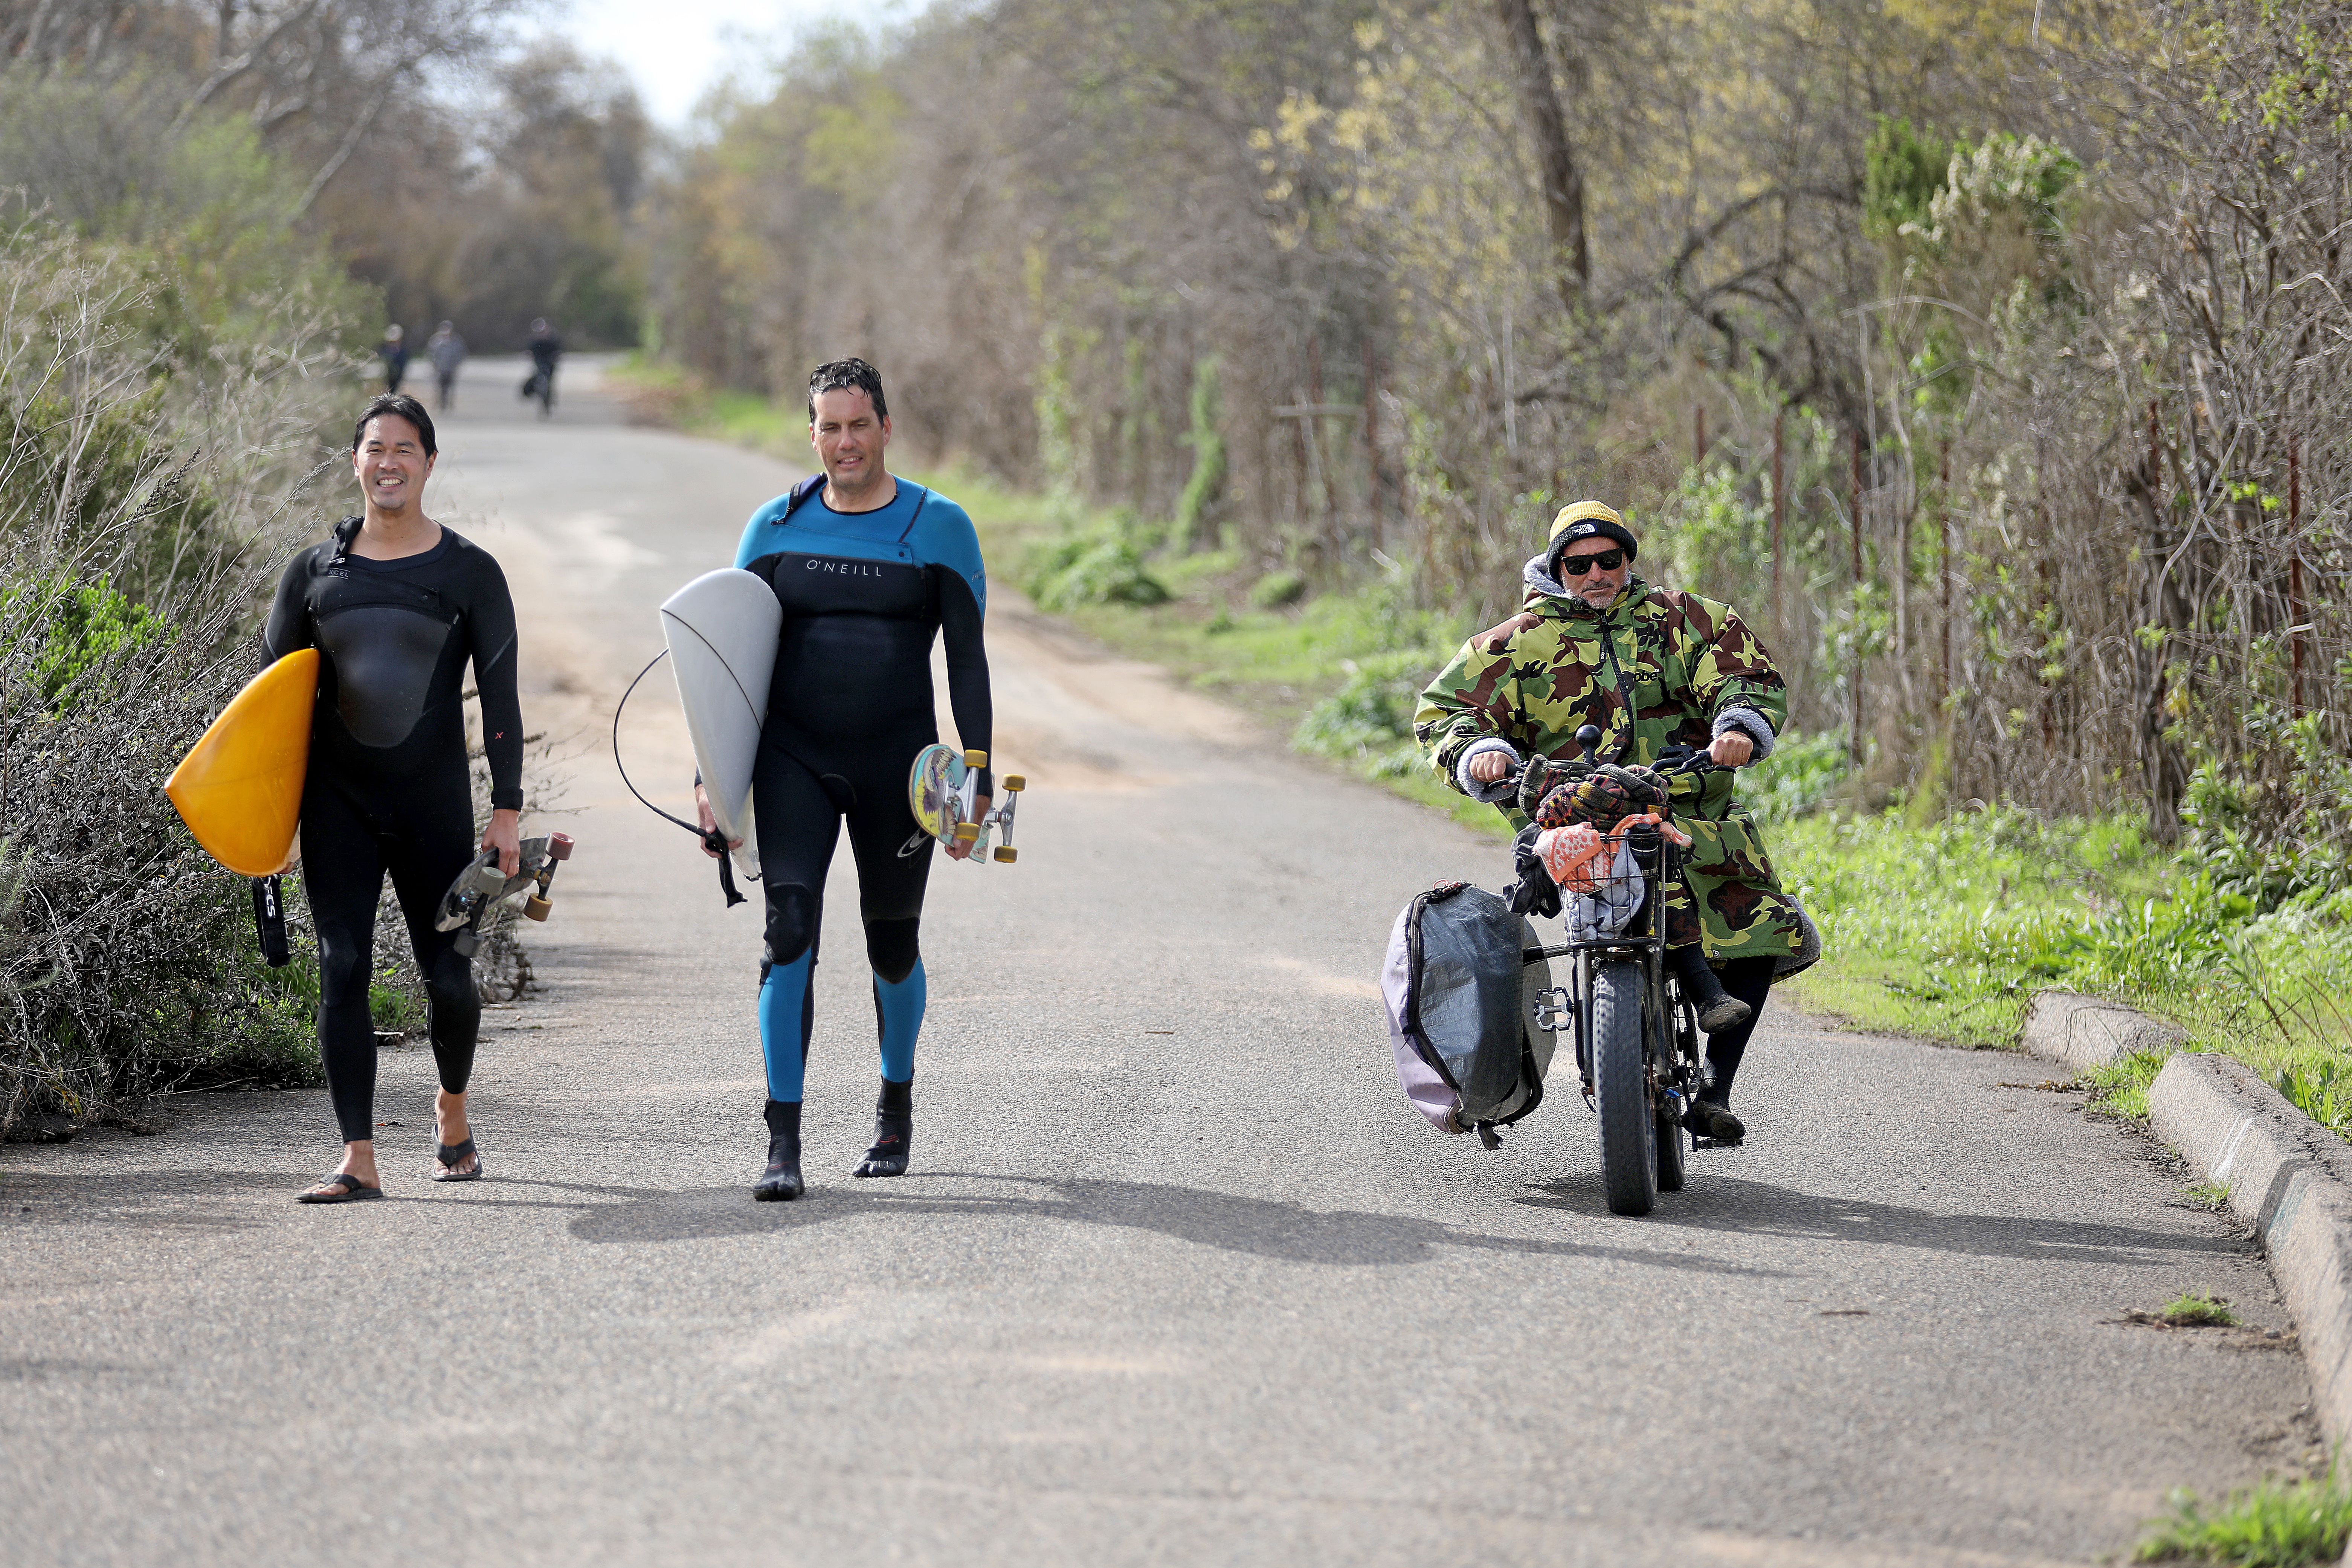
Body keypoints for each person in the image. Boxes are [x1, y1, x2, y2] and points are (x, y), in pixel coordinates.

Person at [1415, 501, 1809, 1144]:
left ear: (1628, 560)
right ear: (1556, 568)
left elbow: (1747, 674)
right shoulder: (1514, 643)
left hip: (1689, 808)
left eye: (1609, 559)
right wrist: (1476, 750)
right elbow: (1444, 711)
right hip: (1574, 821)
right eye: (1578, 564)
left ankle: (1715, 1088)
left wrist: (1739, 723)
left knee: (1760, 919)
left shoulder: (1686, 618)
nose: (1595, 573)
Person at [694, 357, 992, 1201]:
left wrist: (975, 771)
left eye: (858, 424)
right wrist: (709, 777)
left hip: (900, 765)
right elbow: (727, 662)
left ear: (886, 427)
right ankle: (781, 1141)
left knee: (891, 942)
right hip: (792, 759)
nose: (844, 441)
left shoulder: (940, 526)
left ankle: (893, 1108)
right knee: (788, 936)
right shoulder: (774, 525)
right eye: (829, 426)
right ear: (812, 431)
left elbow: (967, 662)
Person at [265, 393, 527, 1202]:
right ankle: (358, 1155)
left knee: (448, 976)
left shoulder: (468, 572)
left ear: (429, 462)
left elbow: (503, 696)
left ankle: (452, 1109)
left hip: (433, 805)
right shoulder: (313, 573)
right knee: (340, 968)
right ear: (355, 460)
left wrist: (507, 809)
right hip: (336, 803)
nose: (388, 462)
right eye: (375, 447)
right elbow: (269, 708)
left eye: (405, 448)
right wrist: (263, 825)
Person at [427, 321, 466, 411]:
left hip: (451, 369)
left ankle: (449, 403)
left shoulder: (456, 341)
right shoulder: (435, 341)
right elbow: (430, 354)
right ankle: (439, 403)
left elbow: (461, 354)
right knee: (439, 387)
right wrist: (435, 364)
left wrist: (456, 365)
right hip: (439, 369)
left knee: (449, 387)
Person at [525, 318, 560, 417]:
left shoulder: (553, 341)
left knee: (549, 382)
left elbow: (558, 352)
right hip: (540, 364)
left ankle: (548, 400)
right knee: (538, 378)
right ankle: (535, 392)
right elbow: (529, 352)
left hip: (550, 365)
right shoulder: (535, 342)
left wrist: (555, 358)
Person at [376, 324, 408, 395]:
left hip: (398, 375)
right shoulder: (386, 351)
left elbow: (403, 364)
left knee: (395, 392)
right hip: (388, 376)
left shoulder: (402, 351)